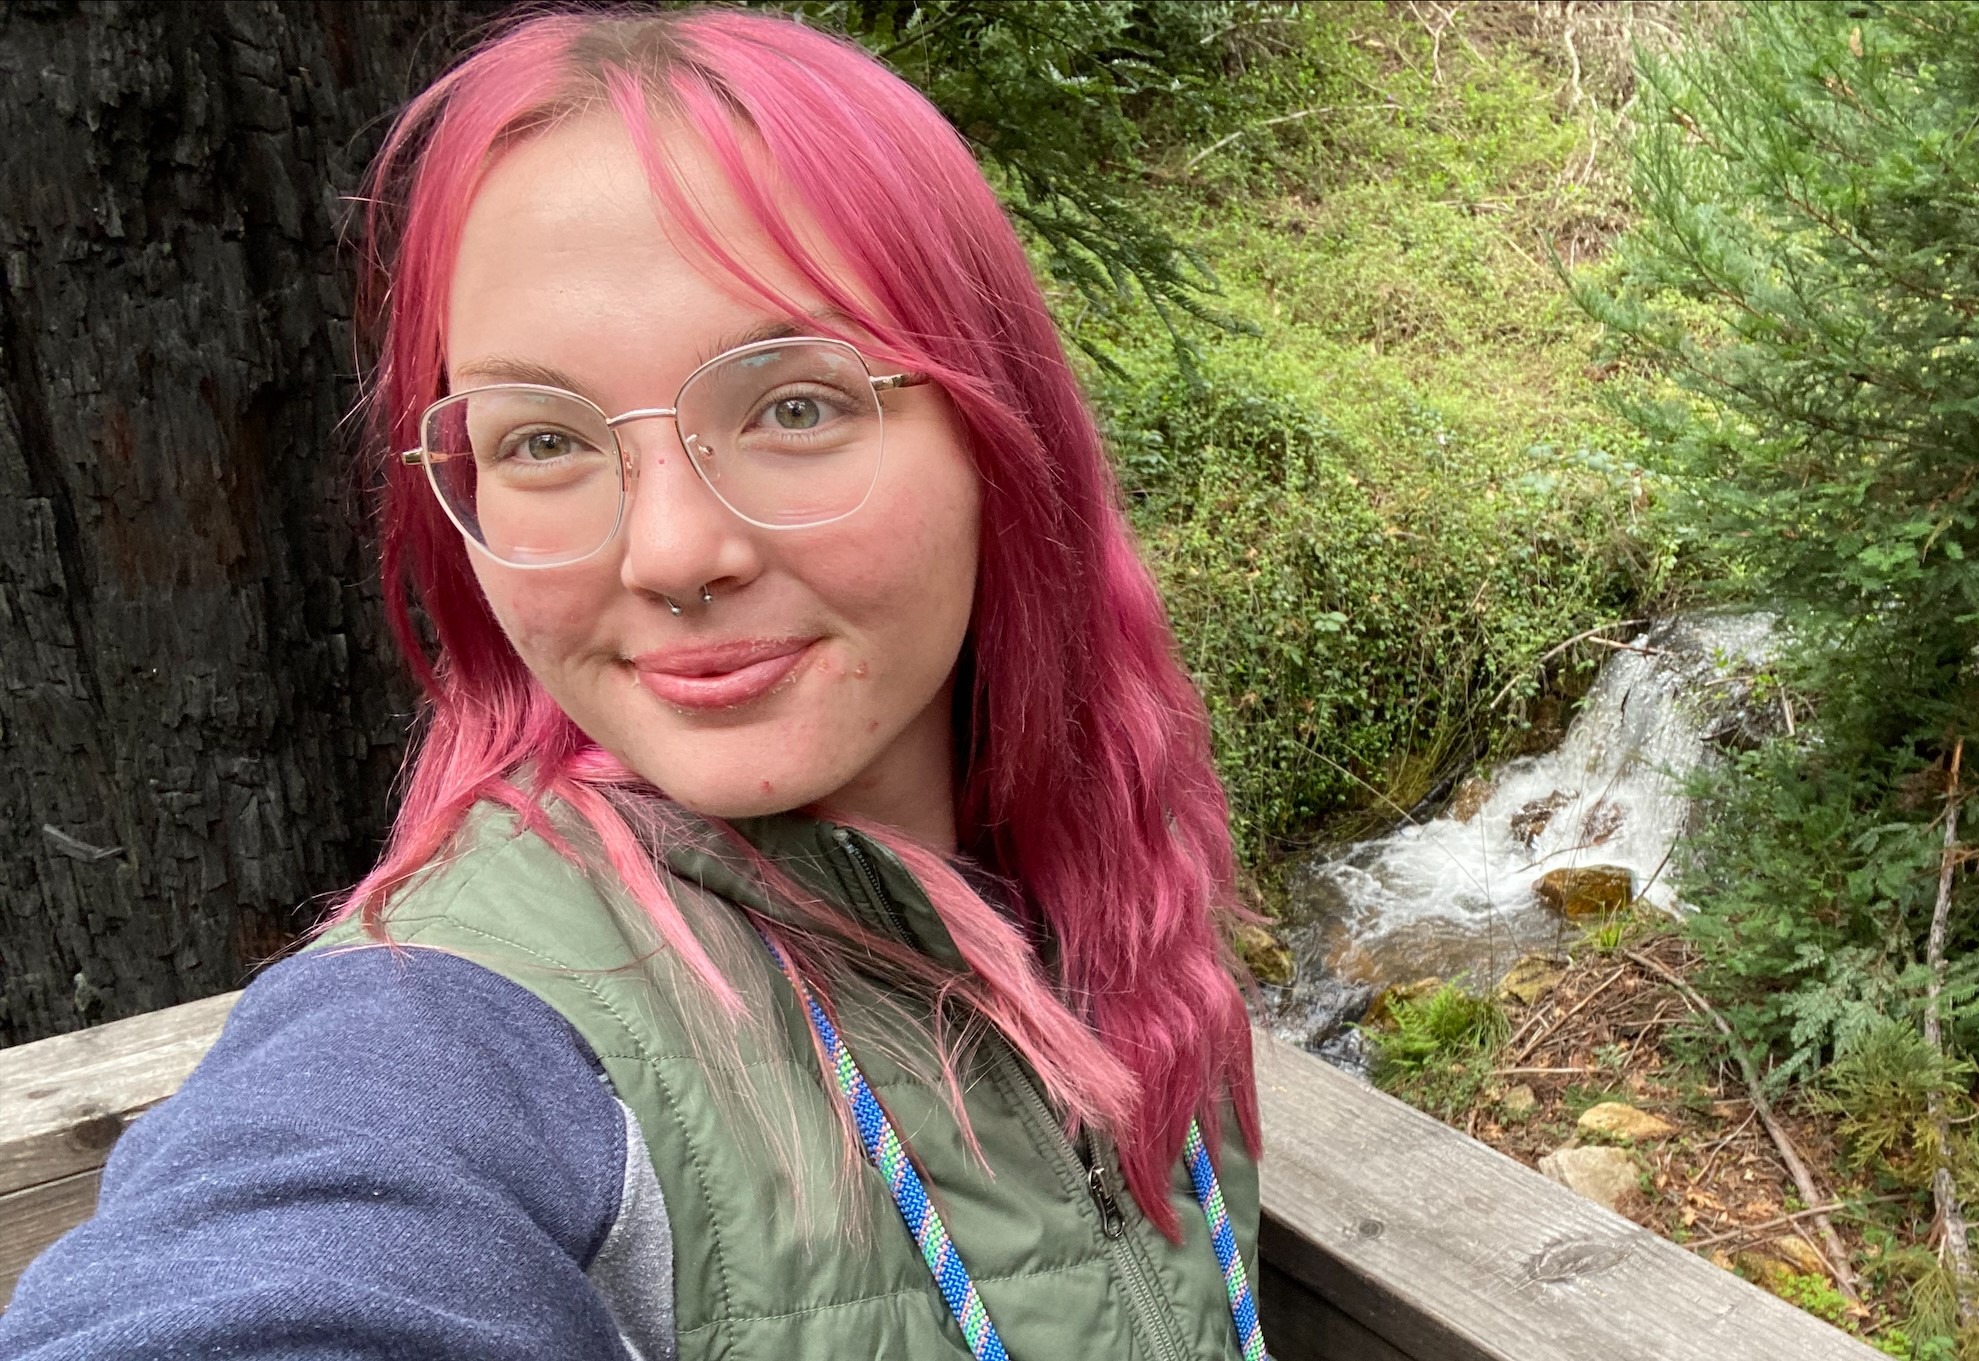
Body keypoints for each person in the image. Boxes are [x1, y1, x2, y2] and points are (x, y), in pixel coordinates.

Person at [0, 9, 1266, 1359]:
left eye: (794, 406)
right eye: (544, 437)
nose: (669, 552)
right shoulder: (443, 1036)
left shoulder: (1110, 899)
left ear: (997, 430)